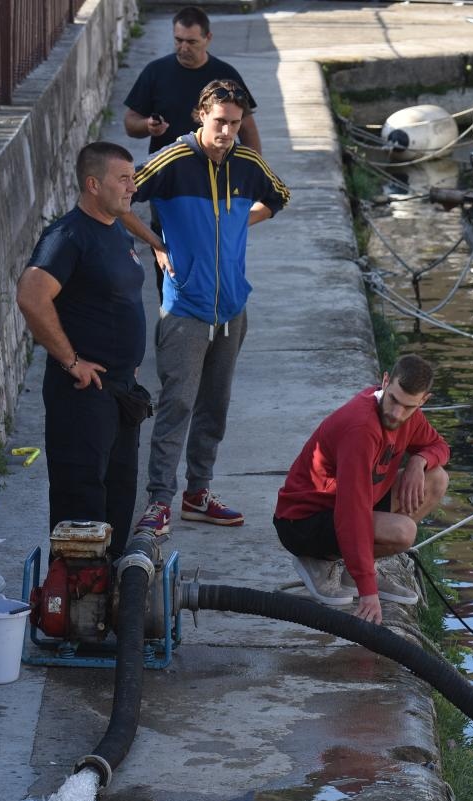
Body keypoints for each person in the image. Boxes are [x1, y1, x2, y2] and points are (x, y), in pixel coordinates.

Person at [120, 79, 289, 537]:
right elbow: (120, 198)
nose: (227, 132)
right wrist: (155, 241)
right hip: (185, 310)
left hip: (233, 309)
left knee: (215, 405)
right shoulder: (173, 159)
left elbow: (279, 196)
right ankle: (159, 502)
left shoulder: (247, 163)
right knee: (177, 405)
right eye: (220, 122)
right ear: (201, 115)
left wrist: (237, 223)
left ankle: (199, 493)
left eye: (235, 123)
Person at [16, 142, 150, 558]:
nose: (132, 186)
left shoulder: (115, 228)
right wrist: (71, 361)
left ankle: (109, 595)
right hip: (83, 395)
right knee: (83, 505)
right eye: (123, 178)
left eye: (133, 177)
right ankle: (77, 608)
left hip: (120, 391)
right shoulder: (69, 235)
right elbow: (31, 296)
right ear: (93, 184)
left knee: (120, 494)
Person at [274, 356, 451, 624]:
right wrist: (368, 592)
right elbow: (351, 513)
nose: (397, 414)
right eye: (393, 400)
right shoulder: (361, 428)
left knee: (437, 479)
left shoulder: (409, 417)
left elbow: (441, 447)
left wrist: (419, 460)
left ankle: (352, 569)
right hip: (303, 522)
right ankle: (319, 562)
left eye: (408, 407)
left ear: (423, 400)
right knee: (403, 532)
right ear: (385, 381)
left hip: (351, 506)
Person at [123, 6, 260, 155]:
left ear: (208, 38)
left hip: (215, 169)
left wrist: (254, 171)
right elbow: (130, 122)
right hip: (167, 168)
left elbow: (248, 130)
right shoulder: (155, 71)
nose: (184, 47)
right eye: (178, 40)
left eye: (191, 42)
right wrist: (147, 126)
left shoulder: (226, 75)